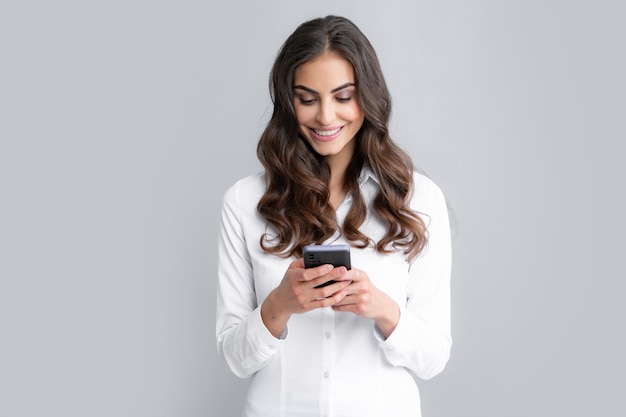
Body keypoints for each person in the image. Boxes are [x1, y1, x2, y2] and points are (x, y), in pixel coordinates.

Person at [216, 15, 451, 417]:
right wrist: (279, 304)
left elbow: (432, 359)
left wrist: (381, 308)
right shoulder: (244, 202)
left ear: (369, 97)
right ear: (288, 102)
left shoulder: (419, 199)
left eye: (343, 97)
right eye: (307, 99)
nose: (326, 117)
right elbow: (236, 360)